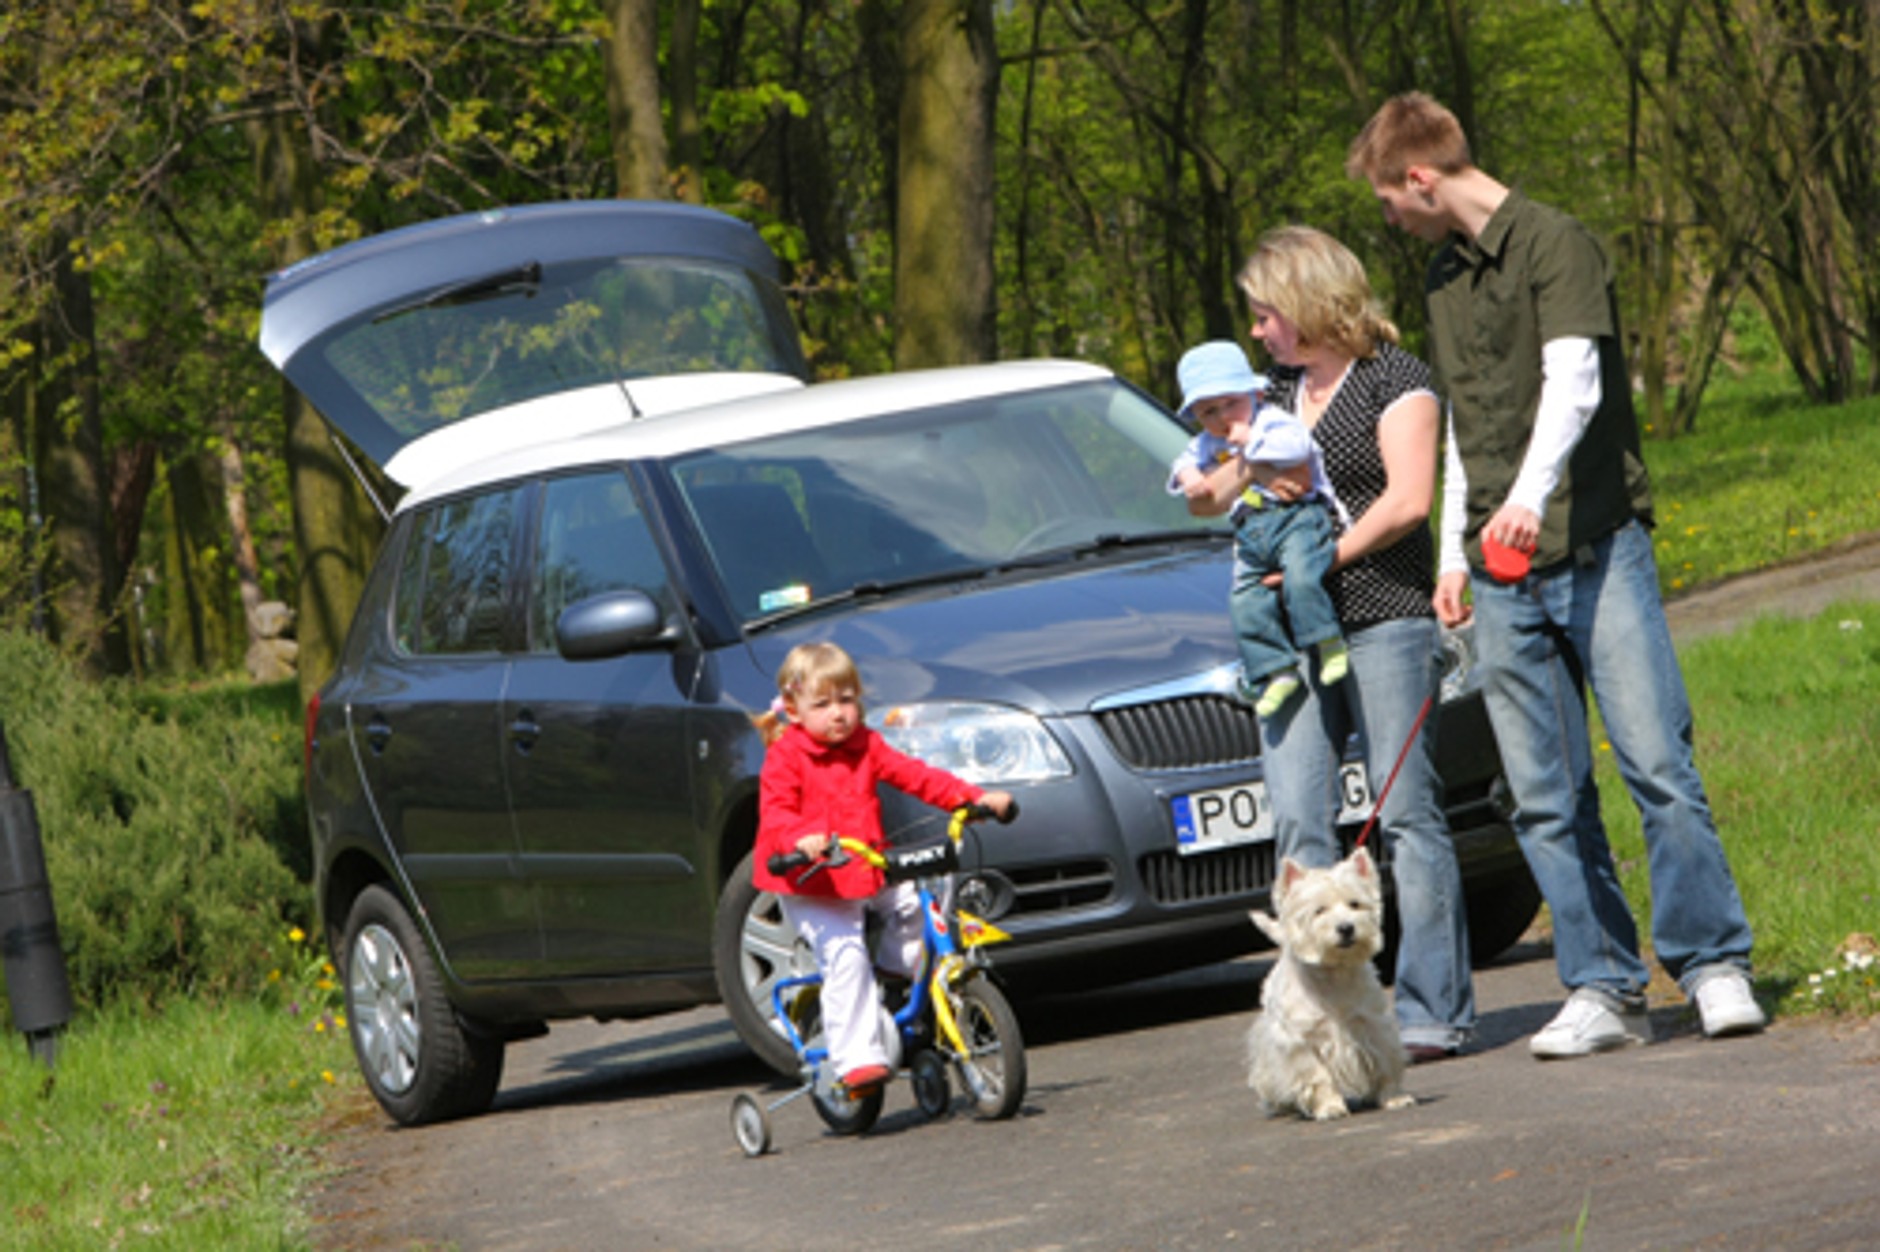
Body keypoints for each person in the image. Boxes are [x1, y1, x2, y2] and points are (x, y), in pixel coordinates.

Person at [1346, 91, 1766, 1057]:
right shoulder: (1446, 277)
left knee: (1656, 762)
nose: (1391, 220)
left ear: (1421, 178)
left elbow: (1574, 379)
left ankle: (1712, 967)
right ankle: (1604, 988)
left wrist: (1528, 502)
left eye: (1388, 200)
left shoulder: (1556, 243)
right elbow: (1460, 420)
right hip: (1500, 577)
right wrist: (1455, 552)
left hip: (1594, 544)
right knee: (1541, 793)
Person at [1197, 224, 1476, 1062]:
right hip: (1286, 640)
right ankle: (1311, 1020)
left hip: (1383, 615)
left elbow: (1408, 502)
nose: (1256, 330)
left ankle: (1430, 1011)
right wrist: (1216, 480)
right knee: (1297, 819)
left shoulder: (1398, 380)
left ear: (1309, 302)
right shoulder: (1268, 391)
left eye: (1265, 312)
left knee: (1407, 816)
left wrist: (1313, 566)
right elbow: (1214, 487)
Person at [751, 641, 1015, 1092]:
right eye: (823, 704)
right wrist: (800, 839)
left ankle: (896, 971)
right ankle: (857, 1060)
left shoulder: (866, 745)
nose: (839, 714)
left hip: (867, 867)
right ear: (793, 711)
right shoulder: (786, 757)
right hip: (811, 881)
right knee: (847, 956)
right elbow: (776, 814)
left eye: (847, 700)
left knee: (918, 904)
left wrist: (972, 798)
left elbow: (917, 775)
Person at [1168, 340, 1349, 717]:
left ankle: (1326, 640)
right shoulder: (1207, 441)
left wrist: (1251, 444)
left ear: (1255, 393)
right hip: (1252, 531)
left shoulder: (1271, 421)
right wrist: (1190, 477)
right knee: (1244, 600)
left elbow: (1297, 449)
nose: (1222, 418)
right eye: (1208, 411)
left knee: (1301, 576)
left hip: (1297, 517)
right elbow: (1183, 464)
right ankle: (1276, 669)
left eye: (1231, 403)